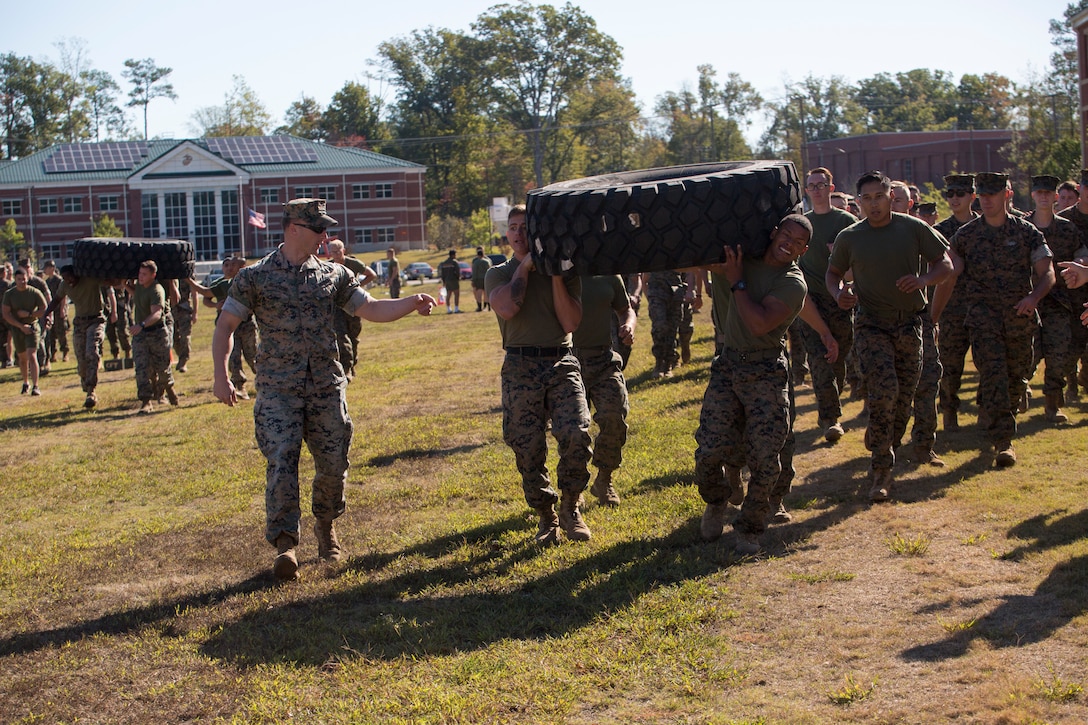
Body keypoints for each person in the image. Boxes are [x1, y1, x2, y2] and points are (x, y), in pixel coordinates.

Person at [212, 199, 436, 581]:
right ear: (294, 228)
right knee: (282, 460)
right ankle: (285, 544)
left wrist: (411, 302)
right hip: (278, 390)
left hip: (325, 389)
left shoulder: (335, 274)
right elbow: (225, 327)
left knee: (333, 465)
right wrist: (221, 375)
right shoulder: (256, 277)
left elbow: (372, 309)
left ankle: (326, 524)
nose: (325, 236)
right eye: (319, 229)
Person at [827, 170, 952, 501]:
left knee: (904, 397)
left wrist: (923, 281)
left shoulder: (913, 228)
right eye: (866, 199)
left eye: (879, 197)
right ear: (858, 202)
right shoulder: (850, 237)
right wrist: (840, 293)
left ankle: (885, 438)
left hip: (910, 322)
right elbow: (833, 273)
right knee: (884, 392)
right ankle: (881, 470)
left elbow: (946, 265)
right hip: (871, 324)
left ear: (890, 197)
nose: (873, 204)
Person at [694, 215, 813, 554]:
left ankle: (750, 527)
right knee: (708, 449)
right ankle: (716, 501)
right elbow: (695, 260)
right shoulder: (745, 258)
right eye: (784, 234)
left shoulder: (793, 282)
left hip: (765, 370)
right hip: (728, 365)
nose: (787, 242)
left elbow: (759, 323)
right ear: (774, 232)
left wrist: (737, 281)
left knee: (765, 457)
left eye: (797, 241)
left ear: (804, 249)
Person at [485, 203, 593, 546]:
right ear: (507, 234)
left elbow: (571, 323)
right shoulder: (498, 273)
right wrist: (527, 268)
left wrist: (556, 273)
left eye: (524, 227)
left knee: (576, 433)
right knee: (527, 447)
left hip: (561, 362)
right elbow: (508, 307)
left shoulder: (567, 271)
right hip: (520, 366)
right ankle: (546, 516)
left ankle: (571, 506)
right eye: (513, 227)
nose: (518, 233)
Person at [932, 172, 1054, 467]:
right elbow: (951, 271)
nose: (986, 200)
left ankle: (999, 418)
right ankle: (1004, 441)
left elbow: (1047, 273)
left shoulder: (1027, 232)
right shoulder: (966, 235)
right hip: (983, 319)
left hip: (1019, 318)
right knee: (993, 376)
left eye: (992, 194)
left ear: (1006, 196)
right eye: (982, 195)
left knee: (1016, 378)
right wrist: (932, 310)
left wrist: (1033, 298)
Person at [798, 167, 857, 443]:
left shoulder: (846, 222)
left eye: (822, 184)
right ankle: (831, 419)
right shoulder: (802, 224)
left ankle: (832, 403)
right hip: (810, 301)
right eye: (812, 185)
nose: (817, 189)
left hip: (840, 300)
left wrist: (843, 264)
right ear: (806, 191)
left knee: (839, 358)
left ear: (831, 188)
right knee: (820, 358)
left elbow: (855, 271)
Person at [1026, 174, 1087, 424]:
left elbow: (1081, 251)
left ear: (1054, 197)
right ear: (1033, 195)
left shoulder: (1066, 227)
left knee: (1058, 354)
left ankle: (1053, 405)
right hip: (1027, 301)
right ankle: (1017, 391)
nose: (1043, 197)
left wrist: (1081, 266)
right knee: (1027, 354)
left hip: (1060, 301)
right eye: (1038, 192)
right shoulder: (1021, 226)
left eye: (1047, 193)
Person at [891, 182, 944, 466]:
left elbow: (947, 270)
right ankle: (888, 445)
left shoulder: (923, 234)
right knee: (890, 387)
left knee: (927, 380)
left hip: (919, 318)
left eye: (900, 200)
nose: (894, 204)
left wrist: (934, 316)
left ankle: (924, 444)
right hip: (881, 321)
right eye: (891, 199)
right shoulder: (866, 234)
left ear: (911, 203)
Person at [573, 274, 635, 508]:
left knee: (615, 417)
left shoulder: (609, 274)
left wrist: (628, 324)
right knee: (574, 429)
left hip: (603, 358)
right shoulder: (559, 271)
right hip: (568, 360)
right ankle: (575, 488)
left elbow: (626, 309)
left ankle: (604, 480)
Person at [934, 174, 979, 431]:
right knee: (950, 366)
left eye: (960, 194)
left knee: (987, 362)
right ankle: (949, 412)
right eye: (949, 194)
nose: (954, 199)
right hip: (951, 309)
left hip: (983, 306)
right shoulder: (939, 231)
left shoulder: (985, 227)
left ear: (972, 196)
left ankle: (986, 410)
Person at [40, 266, 117, 409]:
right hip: (80, 323)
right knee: (81, 360)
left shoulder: (90, 279)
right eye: (65, 278)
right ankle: (85, 381)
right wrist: (46, 314)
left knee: (92, 352)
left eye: (70, 277)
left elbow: (110, 282)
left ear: (77, 274)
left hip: (96, 320)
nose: (68, 281)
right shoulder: (64, 285)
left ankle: (91, 390)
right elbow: (56, 299)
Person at [129, 260, 176, 414]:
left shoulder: (157, 290)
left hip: (156, 333)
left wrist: (140, 325)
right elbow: (135, 294)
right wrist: (122, 283)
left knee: (162, 368)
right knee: (142, 368)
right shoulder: (140, 287)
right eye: (139, 274)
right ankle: (146, 401)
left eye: (144, 274)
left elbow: (156, 314)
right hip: (141, 336)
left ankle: (169, 388)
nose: (140, 277)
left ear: (153, 275)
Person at [327, 238, 377, 379]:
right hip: (337, 307)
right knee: (341, 337)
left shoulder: (353, 263)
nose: (336, 254)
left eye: (338, 251)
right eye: (333, 252)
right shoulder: (327, 267)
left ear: (343, 250)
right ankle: (346, 368)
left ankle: (352, 364)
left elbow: (372, 274)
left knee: (353, 337)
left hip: (354, 305)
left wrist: (358, 286)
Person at [1058, 169, 1088, 400]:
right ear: (1080, 190)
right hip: (1069, 291)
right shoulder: (1065, 220)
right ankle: (1070, 385)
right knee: (1072, 343)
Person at [2, 268, 47, 395]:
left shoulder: (34, 292)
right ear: (15, 280)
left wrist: (30, 314)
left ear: (28, 278)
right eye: (19, 279)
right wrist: (20, 326)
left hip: (32, 327)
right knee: (22, 358)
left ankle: (36, 386)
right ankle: (25, 382)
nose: (22, 281)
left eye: (24, 279)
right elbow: (6, 314)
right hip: (17, 328)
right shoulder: (9, 294)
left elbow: (44, 309)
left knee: (32, 355)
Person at [645, 269, 695, 377]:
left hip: (676, 293)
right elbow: (645, 275)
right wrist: (649, 296)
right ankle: (659, 363)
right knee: (659, 326)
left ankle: (668, 364)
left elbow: (690, 270)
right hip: (656, 293)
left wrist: (691, 290)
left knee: (672, 329)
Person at [42, 260, 69, 364]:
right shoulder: (47, 282)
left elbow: (63, 295)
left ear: (52, 268)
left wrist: (63, 309)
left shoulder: (59, 280)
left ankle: (65, 352)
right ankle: (53, 354)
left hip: (59, 310)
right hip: (51, 310)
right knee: (51, 333)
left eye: (47, 268)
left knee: (61, 332)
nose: (45, 270)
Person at [172, 277, 198, 373]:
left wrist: (195, 312)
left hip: (184, 309)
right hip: (172, 309)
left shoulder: (186, 274)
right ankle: (180, 355)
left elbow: (194, 293)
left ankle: (183, 361)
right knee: (173, 337)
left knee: (185, 336)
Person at [438, 249, 462, 314]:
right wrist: (458, 278)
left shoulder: (444, 263)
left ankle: (449, 309)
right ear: (453, 255)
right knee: (456, 294)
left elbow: (442, 273)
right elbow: (457, 272)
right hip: (453, 280)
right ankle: (456, 309)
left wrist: (444, 281)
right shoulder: (454, 262)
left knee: (448, 294)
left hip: (447, 280)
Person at [471, 247, 492, 312]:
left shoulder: (476, 262)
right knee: (486, 293)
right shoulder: (487, 261)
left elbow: (474, 272)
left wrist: (473, 280)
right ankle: (488, 306)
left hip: (478, 279)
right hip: (486, 278)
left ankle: (479, 307)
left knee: (479, 293)